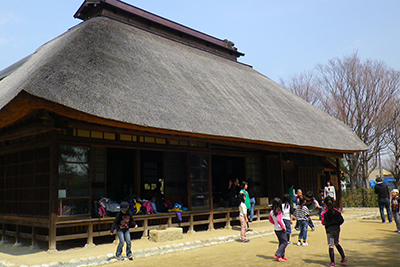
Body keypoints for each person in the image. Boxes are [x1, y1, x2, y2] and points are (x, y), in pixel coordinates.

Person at [321, 196, 348, 267]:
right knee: (336, 243)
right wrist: (337, 224)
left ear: (325, 204)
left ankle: (332, 262)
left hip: (329, 230)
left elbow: (323, 222)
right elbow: (342, 220)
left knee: (331, 246)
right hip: (337, 229)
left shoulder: (324, 213)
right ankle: (343, 257)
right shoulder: (337, 211)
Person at [269, 197, 288, 262]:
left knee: (281, 242)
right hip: (280, 228)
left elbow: (270, 220)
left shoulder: (271, 212)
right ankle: (278, 254)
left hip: (276, 228)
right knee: (285, 242)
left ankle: (282, 255)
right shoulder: (279, 211)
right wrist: (283, 227)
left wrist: (275, 223)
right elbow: (279, 220)